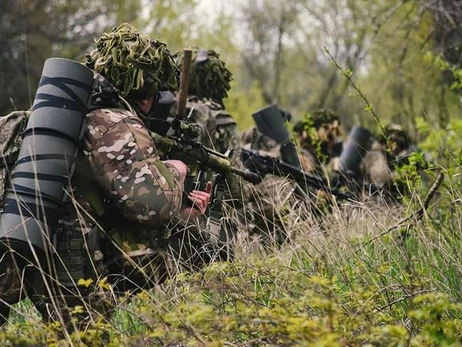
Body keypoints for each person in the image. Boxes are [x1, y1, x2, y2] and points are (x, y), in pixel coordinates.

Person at [0, 23, 213, 327]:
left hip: (15, 245)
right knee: (83, 337)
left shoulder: (64, 112)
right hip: (65, 262)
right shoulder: (113, 122)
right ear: (145, 90)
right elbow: (153, 205)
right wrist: (177, 171)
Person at [171, 48, 248, 252]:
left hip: (163, 219)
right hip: (207, 227)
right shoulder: (221, 120)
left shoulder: (162, 110)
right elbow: (237, 192)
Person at [293, 109, 344, 175]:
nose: (329, 132)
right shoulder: (303, 147)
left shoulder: (329, 145)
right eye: (326, 128)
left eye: (333, 129)